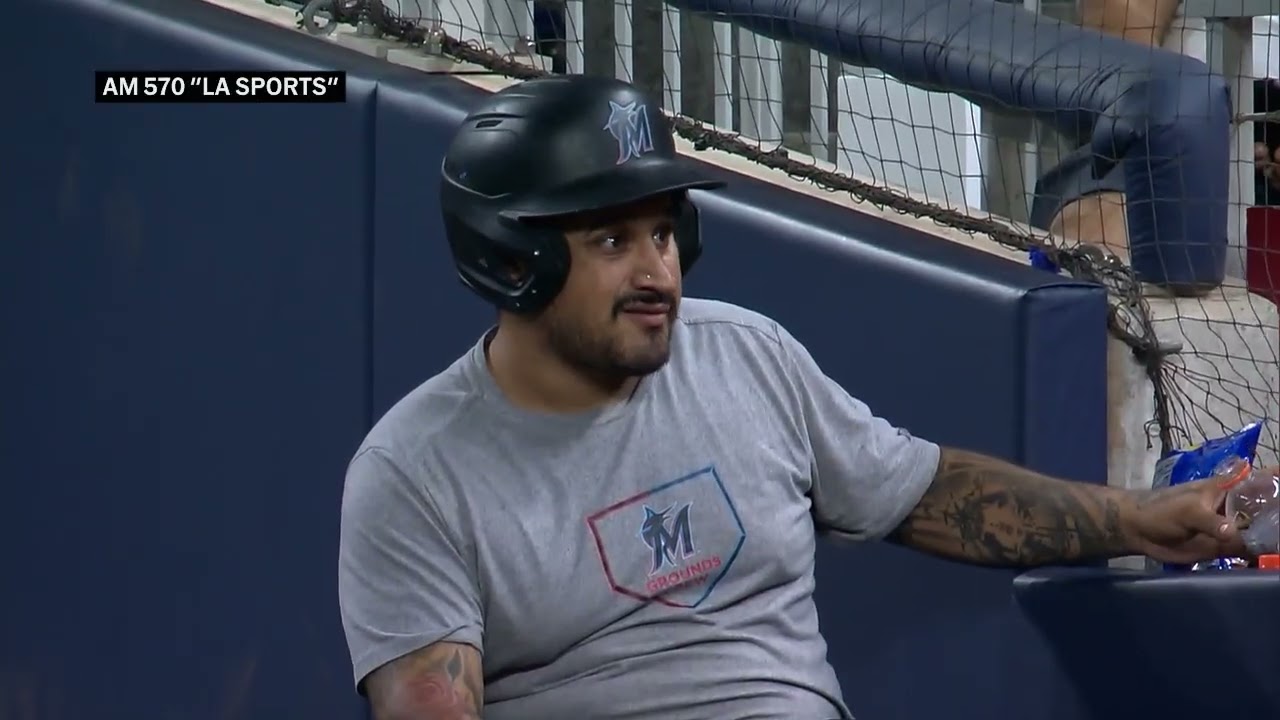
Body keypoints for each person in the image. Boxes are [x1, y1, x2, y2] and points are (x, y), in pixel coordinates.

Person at [337, 75, 1250, 720]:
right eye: (613, 241)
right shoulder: (418, 469)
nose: (659, 271)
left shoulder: (743, 356)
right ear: (513, 260)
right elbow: (428, 697)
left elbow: (928, 492)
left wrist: (1139, 518)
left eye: (664, 232)